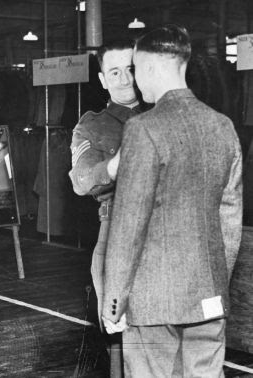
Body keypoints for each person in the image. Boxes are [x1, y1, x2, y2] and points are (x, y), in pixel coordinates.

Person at [102, 25, 243, 377]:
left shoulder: (143, 128)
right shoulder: (223, 126)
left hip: (153, 303)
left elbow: (128, 227)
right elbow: (230, 218)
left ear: (149, 68)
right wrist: (213, 282)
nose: (135, 81)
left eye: (134, 69)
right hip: (209, 298)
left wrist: (114, 301)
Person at [69, 38, 142, 376]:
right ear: (102, 80)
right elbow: (82, 180)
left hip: (169, 238)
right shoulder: (91, 125)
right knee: (122, 349)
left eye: (132, 69)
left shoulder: (167, 115)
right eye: (115, 72)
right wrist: (119, 162)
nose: (125, 79)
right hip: (115, 235)